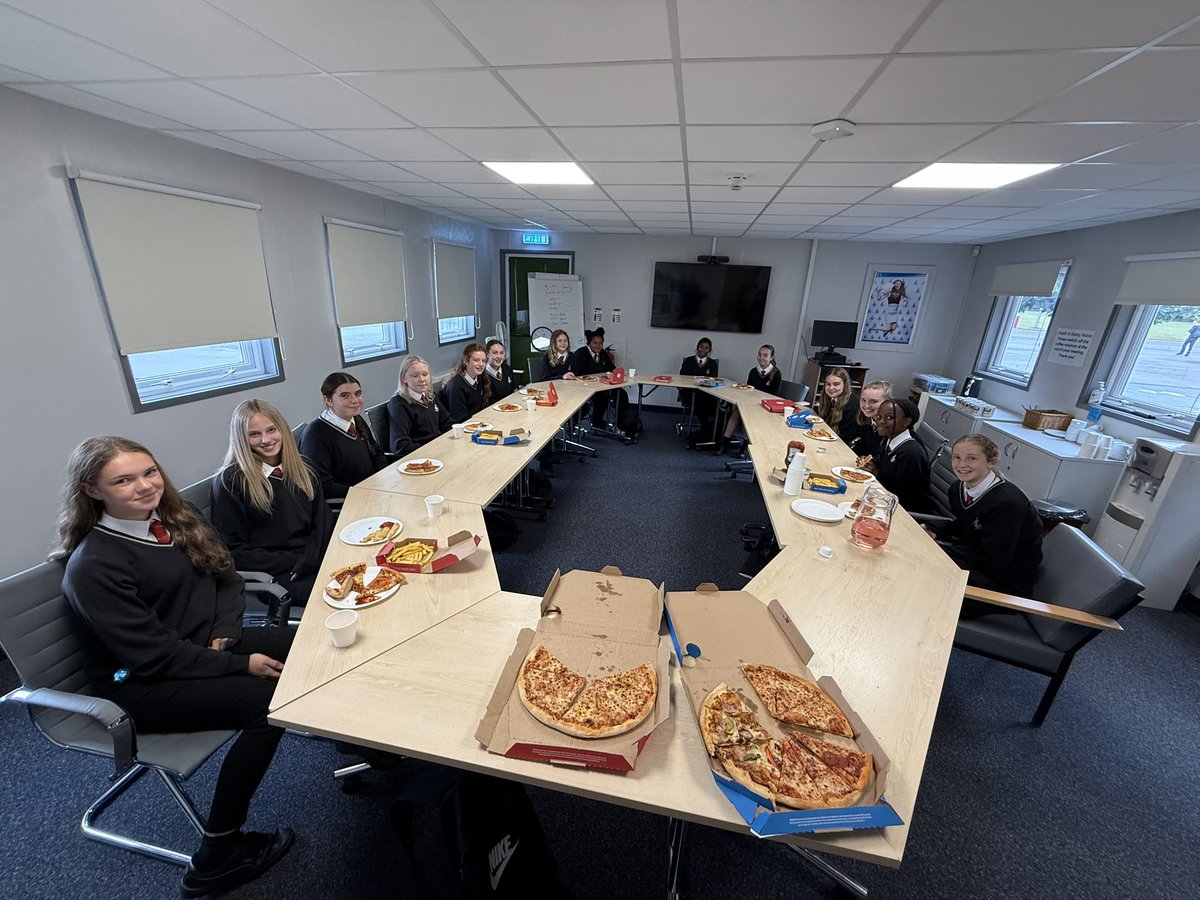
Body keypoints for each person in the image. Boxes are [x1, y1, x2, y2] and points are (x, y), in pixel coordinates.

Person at [56, 437, 295, 897]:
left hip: (204, 645)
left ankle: (369, 742)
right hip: (143, 683)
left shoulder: (170, 517)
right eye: (122, 480)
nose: (144, 486)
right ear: (92, 491)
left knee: (313, 642)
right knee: (268, 705)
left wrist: (225, 631)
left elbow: (225, 574)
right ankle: (217, 855)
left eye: (148, 472)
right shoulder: (94, 565)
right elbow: (151, 655)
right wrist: (237, 663)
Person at [211, 400, 332, 606]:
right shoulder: (231, 483)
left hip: (315, 559)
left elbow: (322, 520)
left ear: (282, 429)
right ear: (242, 439)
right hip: (279, 574)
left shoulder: (304, 468)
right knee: (340, 594)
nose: (266, 440)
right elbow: (234, 552)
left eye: (271, 430)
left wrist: (311, 557)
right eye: (254, 434)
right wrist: (296, 562)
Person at [926, 434, 1044, 615]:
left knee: (921, 585)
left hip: (1001, 585)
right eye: (957, 457)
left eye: (971, 459)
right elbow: (967, 524)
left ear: (991, 462)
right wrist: (933, 530)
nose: (961, 464)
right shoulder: (958, 489)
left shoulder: (1008, 504)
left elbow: (994, 559)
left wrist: (939, 550)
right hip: (976, 564)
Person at [298, 372, 387, 500]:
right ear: (328, 400)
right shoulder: (315, 436)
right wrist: (364, 491)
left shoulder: (355, 419)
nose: (355, 401)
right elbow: (323, 486)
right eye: (345, 396)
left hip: (372, 491)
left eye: (358, 394)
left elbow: (377, 452)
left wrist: (382, 479)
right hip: (349, 501)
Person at [865, 397, 931, 513]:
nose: (881, 421)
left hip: (903, 512)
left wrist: (877, 473)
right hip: (882, 498)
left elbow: (903, 496)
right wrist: (870, 463)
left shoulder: (911, 454)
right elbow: (882, 460)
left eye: (889, 417)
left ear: (906, 422)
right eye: (879, 416)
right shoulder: (890, 436)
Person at [387, 355, 453, 457]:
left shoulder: (430, 396)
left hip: (441, 450)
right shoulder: (398, 404)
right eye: (415, 376)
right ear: (404, 378)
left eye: (425, 374)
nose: (422, 379)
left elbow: (447, 423)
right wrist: (432, 450)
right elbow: (400, 445)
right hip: (422, 456)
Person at [719, 344, 781, 452]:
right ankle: (725, 441)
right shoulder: (753, 371)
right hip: (750, 402)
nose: (761, 357)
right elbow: (748, 389)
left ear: (771, 358)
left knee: (748, 413)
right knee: (737, 411)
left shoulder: (776, 374)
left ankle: (745, 445)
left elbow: (773, 395)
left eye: (765, 355)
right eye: (760, 354)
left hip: (765, 406)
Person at [570, 327, 631, 432]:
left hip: (603, 385)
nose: (598, 346)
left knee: (622, 395)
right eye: (595, 343)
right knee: (602, 398)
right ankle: (596, 421)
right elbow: (577, 375)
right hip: (586, 387)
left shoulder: (602, 353)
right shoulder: (580, 353)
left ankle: (621, 424)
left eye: (601, 343)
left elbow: (611, 368)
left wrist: (620, 372)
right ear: (589, 343)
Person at [679, 337, 720, 448]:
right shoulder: (688, 361)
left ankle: (712, 428)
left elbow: (713, 380)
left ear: (709, 351)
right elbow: (682, 377)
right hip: (689, 392)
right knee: (696, 400)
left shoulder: (712, 364)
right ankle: (707, 426)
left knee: (717, 402)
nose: (703, 350)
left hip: (706, 393)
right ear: (697, 348)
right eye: (701, 347)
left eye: (706, 348)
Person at [842, 380, 892, 460]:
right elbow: (862, 447)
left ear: (887, 402)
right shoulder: (867, 421)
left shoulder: (891, 427)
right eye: (863, 400)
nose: (866, 406)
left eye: (873, 401)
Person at [442, 343, 492, 421]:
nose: (481, 364)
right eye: (476, 360)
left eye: (483, 361)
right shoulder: (456, 387)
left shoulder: (480, 378)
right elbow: (460, 419)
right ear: (466, 361)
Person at [816, 367, 861, 443]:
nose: (831, 388)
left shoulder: (852, 404)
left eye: (836, 384)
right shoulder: (828, 398)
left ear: (845, 384)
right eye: (828, 384)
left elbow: (846, 436)